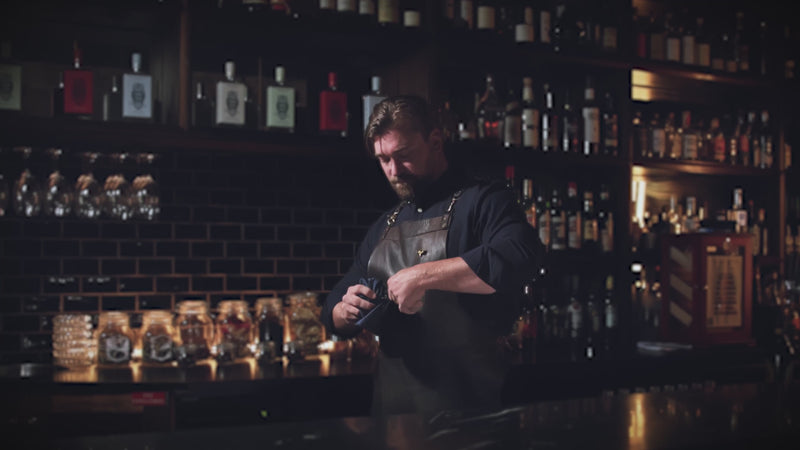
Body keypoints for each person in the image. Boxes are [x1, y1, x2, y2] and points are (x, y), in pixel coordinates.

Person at [320, 95, 543, 416]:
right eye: (383, 160)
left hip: (473, 408)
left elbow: (521, 255)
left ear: (435, 142)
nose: (394, 170)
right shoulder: (385, 225)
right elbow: (332, 310)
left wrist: (424, 275)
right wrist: (346, 309)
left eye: (404, 155)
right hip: (395, 411)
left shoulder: (483, 201)